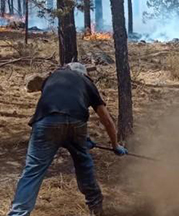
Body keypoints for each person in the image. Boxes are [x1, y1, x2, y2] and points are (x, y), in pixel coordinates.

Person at [8, 62, 128, 216]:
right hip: (76, 124)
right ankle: (96, 209)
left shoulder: (53, 77)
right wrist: (115, 145)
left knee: (33, 171)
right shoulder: (86, 81)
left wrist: (82, 141)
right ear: (84, 74)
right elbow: (107, 120)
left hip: (46, 123)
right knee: (84, 165)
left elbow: (59, 107)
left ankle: (18, 213)